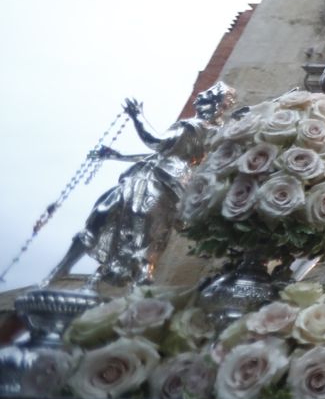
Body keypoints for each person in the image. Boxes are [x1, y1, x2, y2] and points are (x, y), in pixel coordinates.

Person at [46, 83, 238, 287]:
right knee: (109, 215)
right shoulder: (205, 128)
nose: (199, 96)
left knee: (129, 227)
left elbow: (157, 142)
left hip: (163, 181)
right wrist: (119, 156)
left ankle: (132, 277)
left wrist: (137, 116)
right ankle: (68, 269)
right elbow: (163, 154)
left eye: (206, 94)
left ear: (214, 102)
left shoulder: (196, 127)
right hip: (151, 176)